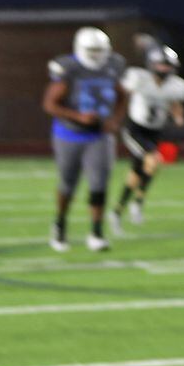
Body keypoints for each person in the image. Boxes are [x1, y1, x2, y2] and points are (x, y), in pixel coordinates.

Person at [42, 27, 128, 252]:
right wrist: (77, 116)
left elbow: (122, 95)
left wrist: (116, 120)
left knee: (99, 185)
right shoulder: (68, 68)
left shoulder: (113, 65)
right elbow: (50, 104)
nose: (95, 54)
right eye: (91, 50)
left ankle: (96, 233)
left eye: (99, 50)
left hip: (99, 135)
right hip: (69, 134)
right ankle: (60, 224)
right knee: (67, 185)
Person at [114, 45, 184, 227]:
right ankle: (137, 203)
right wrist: (116, 116)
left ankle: (117, 210)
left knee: (137, 171)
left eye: (168, 65)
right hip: (135, 128)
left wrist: (178, 116)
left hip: (154, 131)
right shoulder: (139, 78)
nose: (164, 69)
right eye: (161, 64)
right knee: (154, 160)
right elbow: (122, 95)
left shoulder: (177, 86)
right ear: (152, 64)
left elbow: (175, 103)